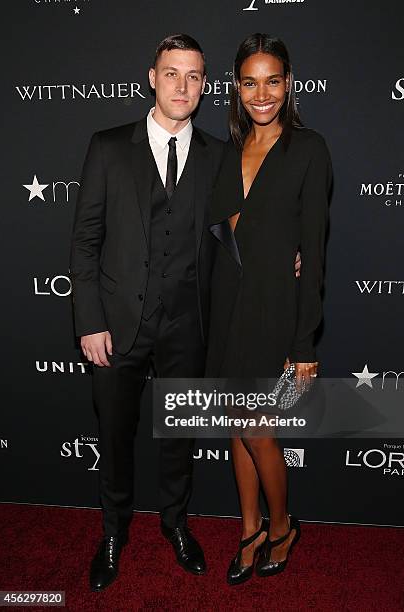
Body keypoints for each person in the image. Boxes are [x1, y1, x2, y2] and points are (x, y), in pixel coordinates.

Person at [70, 34, 226, 591]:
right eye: (172, 73)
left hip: (188, 328)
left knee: (179, 437)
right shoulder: (109, 146)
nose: (183, 85)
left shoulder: (218, 155)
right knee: (113, 438)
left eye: (194, 75)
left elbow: (236, 236)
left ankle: (175, 524)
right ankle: (113, 532)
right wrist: (89, 320)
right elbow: (85, 242)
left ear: (204, 84)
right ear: (152, 77)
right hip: (116, 327)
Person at [205, 33, 333, 585]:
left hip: (274, 309)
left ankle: (282, 528)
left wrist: (303, 344)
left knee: (257, 427)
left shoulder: (308, 150)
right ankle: (249, 530)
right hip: (227, 306)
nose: (262, 94)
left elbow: (315, 253)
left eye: (273, 81)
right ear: (236, 87)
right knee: (238, 426)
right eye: (250, 82)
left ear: (288, 84)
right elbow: (218, 233)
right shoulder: (224, 153)